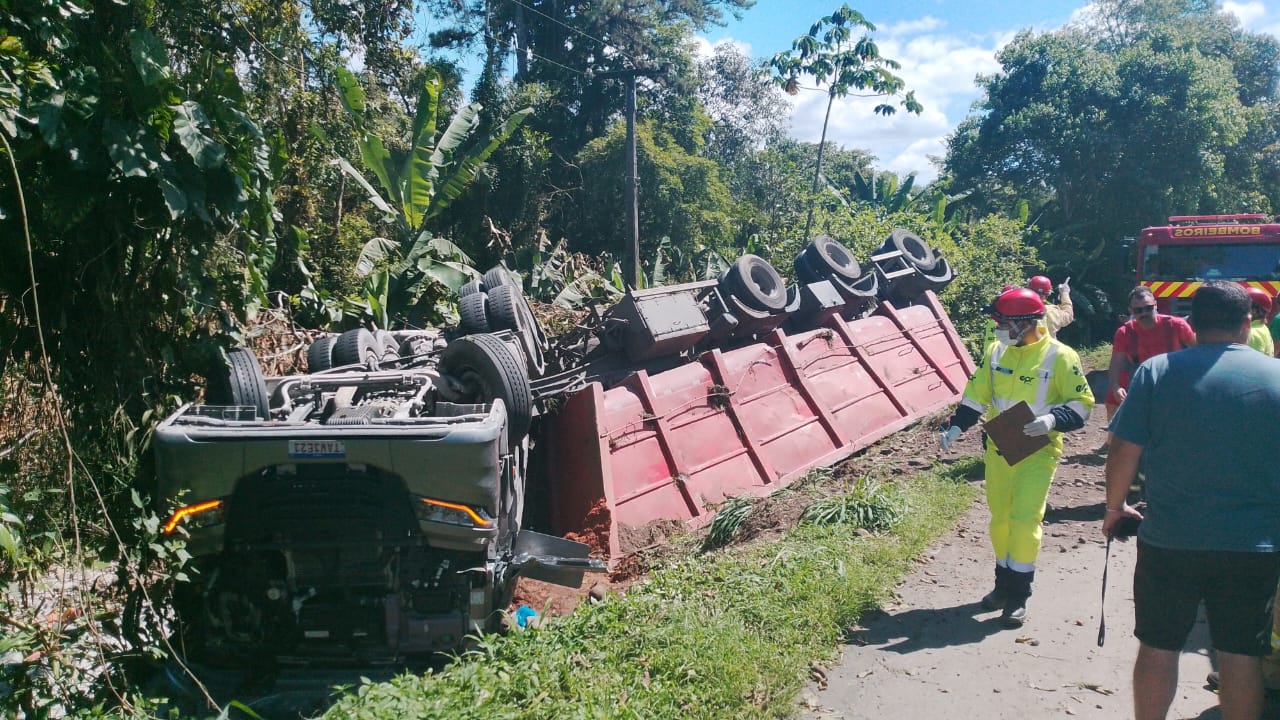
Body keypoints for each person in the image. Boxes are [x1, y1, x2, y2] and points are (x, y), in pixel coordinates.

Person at [1103, 281, 1280, 720]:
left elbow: (1123, 449)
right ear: (1247, 323)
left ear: (1193, 325)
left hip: (1169, 541)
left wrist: (1114, 509)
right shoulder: (1275, 377)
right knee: (1240, 654)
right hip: (1254, 545)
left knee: (1159, 646)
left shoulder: (1157, 372)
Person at [939, 287, 1094, 628]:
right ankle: (1002, 584)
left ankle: (1019, 596)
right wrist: (955, 428)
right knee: (1001, 520)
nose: (999, 330)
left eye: (1004, 323)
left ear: (1026, 323)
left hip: (1038, 450)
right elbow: (976, 396)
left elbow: (1082, 405)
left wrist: (1052, 420)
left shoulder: (1061, 356)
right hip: (1000, 447)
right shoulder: (997, 352)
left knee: (1025, 520)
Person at [1102, 286, 1195, 448]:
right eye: (1138, 310)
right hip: (1141, 380)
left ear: (1156, 305)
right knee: (1112, 400)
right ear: (1131, 310)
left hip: (1175, 379)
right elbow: (1116, 362)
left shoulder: (1176, 325)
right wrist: (1116, 387)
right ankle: (1115, 443)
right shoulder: (1124, 332)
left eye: (1148, 308)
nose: (1144, 313)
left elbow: (1199, 350)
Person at [1244, 286, 1275, 356]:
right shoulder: (1262, 327)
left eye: (1243, 305)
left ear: (1254, 311)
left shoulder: (1251, 333)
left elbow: (1253, 362)